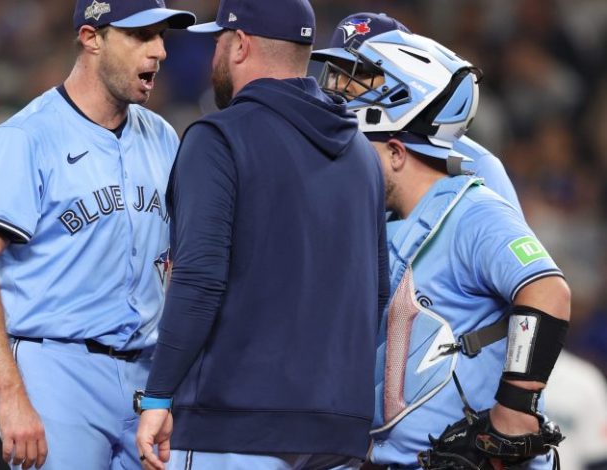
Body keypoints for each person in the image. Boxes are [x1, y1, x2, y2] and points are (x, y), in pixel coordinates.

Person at [134, 1, 389, 469]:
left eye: (218, 41)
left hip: (235, 424)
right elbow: (377, 295)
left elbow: (198, 280)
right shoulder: (362, 155)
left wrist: (158, 395)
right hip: (338, 432)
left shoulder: (219, 137)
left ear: (241, 45)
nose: (214, 54)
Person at [311, 13, 571, 469]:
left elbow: (546, 291)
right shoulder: (375, 217)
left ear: (396, 150)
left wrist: (514, 409)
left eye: (361, 146)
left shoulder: (471, 206)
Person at [0, 1, 195, 468]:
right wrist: (9, 393)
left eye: (162, 36)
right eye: (141, 36)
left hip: (147, 377)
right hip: (58, 372)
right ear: (91, 37)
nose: (159, 51)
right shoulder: (25, 138)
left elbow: (179, 263)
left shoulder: (163, 137)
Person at [312, 13, 523, 215]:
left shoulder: (476, 163)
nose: (339, 85)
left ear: (404, 78)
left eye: (360, 73)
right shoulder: (324, 147)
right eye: (334, 71)